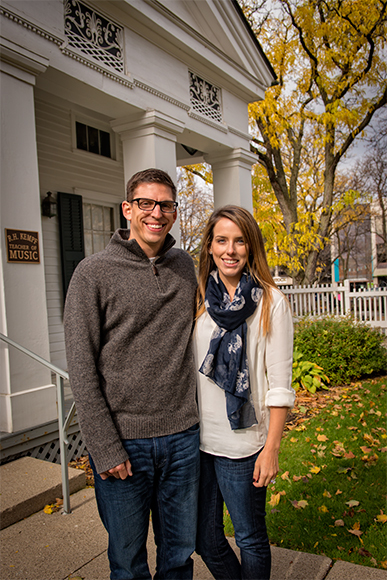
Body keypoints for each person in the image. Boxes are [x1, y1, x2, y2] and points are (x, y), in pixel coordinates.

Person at [64, 168, 200, 580]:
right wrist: (104, 446)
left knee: (178, 556)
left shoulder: (184, 267)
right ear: (127, 209)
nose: (155, 212)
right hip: (124, 445)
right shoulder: (92, 274)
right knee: (127, 563)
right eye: (145, 203)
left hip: (182, 440)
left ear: (175, 213)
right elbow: (81, 368)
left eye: (165, 205)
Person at [194, 205, 295, 580]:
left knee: (250, 539)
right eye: (221, 240)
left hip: (244, 446)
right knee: (203, 537)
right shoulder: (200, 299)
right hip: (198, 444)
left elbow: (280, 386)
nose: (230, 250)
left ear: (251, 248)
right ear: (209, 246)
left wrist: (271, 449)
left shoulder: (271, 303)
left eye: (239, 241)